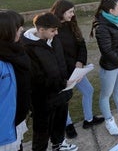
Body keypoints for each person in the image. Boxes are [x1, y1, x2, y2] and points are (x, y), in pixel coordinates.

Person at [22, 12, 78, 151]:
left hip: (62, 93)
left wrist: (70, 78)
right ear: (41, 30)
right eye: (53, 30)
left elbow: (61, 63)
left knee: (60, 122)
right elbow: (36, 78)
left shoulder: (54, 39)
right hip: (43, 99)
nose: (56, 33)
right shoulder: (28, 48)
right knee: (42, 131)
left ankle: (58, 144)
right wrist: (61, 84)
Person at [50, 0, 104, 138]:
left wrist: (80, 62)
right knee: (65, 98)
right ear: (61, 11)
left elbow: (81, 45)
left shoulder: (72, 25)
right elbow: (56, 55)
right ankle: (68, 124)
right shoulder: (52, 29)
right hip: (63, 73)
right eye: (70, 12)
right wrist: (69, 71)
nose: (73, 15)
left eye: (73, 11)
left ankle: (88, 119)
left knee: (89, 90)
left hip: (77, 69)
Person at [90, 0, 118, 135]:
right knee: (106, 95)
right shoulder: (101, 27)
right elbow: (107, 51)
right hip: (110, 67)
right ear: (111, 10)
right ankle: (109, 120)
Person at [0, 10, 31, 151]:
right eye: (18, 26)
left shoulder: (16, 51)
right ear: (6, 31)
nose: (22, 29)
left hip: (16, 121)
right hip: (3, 130)